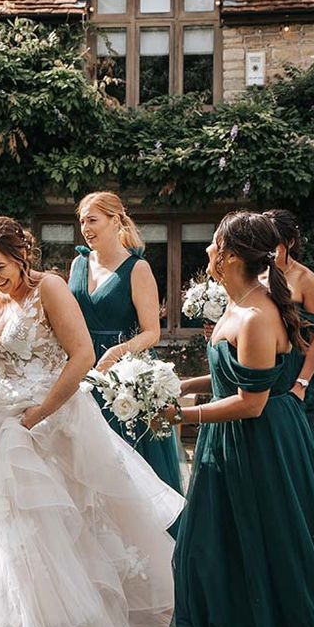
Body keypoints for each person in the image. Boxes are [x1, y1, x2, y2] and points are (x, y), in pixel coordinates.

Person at [0, 216, 185, 627]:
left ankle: (98, 617)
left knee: (75, 521)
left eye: (1, 267)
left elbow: (82, 354)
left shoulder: (51, 289)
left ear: (23, 255)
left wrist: (39, 414)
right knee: (2, 527)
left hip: (50, 417)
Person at [147, 211, 314, 627]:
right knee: (212, 547)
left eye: (212, 244)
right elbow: (237, 373)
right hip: (232, 441)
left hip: (260, 445)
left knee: (261, 549)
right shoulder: (238, 304)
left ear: (228, 255)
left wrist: (181, 416)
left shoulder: (255, 314)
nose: (206, 250)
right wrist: (181, 383)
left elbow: (251, 402)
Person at [69, 191, 184, 499]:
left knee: (125, 459)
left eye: (93, 220)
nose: (86, 228)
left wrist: (116, 352)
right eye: (82, 221)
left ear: (115, 220)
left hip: (122, 373)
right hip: (80, 366)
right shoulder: (77, 264)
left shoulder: (137, 268)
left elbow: (152, 332)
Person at [261, 208, 314, 470]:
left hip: (295, 375)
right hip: (263, 372)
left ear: (289, 242)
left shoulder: (307, 280)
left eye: (274, 244)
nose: (267, 251)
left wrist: (301, 383)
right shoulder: (255, 275)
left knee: (298, 461)